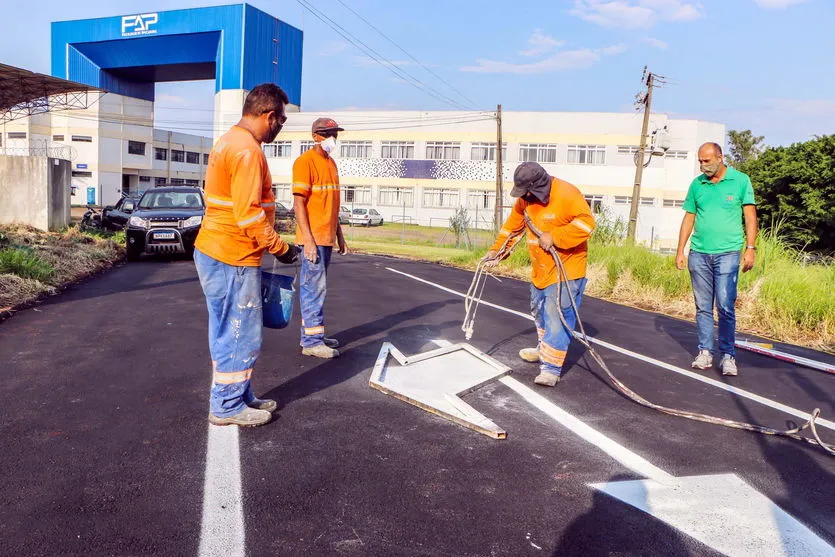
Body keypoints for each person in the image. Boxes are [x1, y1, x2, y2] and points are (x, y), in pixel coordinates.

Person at [193, 83, 302, 427]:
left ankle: (238, 393)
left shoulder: (231, 140)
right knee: (240, 330)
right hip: (233, 254)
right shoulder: (248, 151)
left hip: (216, 249)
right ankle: (226, 406)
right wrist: (281, 248)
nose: (280, 126)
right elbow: (249, 214)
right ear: (270, 116)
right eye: (281, 120)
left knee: (226, 328)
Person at [483, 162, 595, 387]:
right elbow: (511, 229)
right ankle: (544, 350)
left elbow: (587, 224)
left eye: (526, 192)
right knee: (539, 310)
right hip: (541, 269)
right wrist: (497, 252)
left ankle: (551, 369)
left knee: (557, 316)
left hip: (566, 268)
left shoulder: (567, 193)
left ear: (537, 185)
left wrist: (555, 235)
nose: (523, 196)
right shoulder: (525, 199)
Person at [676, 142, 757, 377]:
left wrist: (750, 248)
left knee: (724, 305)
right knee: (702, 307)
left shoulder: (740, 181)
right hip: (699, 253)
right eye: (700, 161)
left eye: (707, 161)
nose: (703, 166)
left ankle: (728, 355)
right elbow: (689, 217)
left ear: (720, 157)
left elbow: (750, 216)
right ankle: (705, 352)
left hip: (729, 253)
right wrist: (680, 250)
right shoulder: (697, 184)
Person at [292, 117, 348, 359]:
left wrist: (340, 236)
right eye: (327, 134)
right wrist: (309, 241)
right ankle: (311, 341)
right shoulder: (305, 162)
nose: (332, 138)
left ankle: (314, 333)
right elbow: (298, 204)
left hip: (326, 237)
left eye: (334, 133)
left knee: (318, 289)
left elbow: (333, 205)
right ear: (315, 136)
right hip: (312, 240)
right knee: (313, 289)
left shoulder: (331, 164)